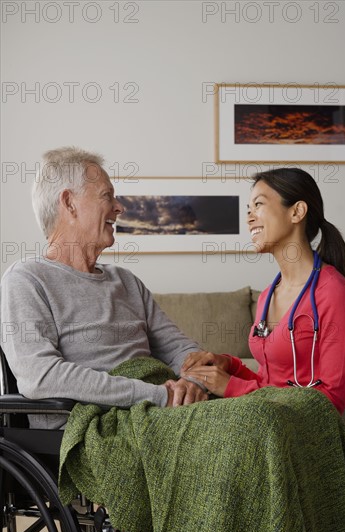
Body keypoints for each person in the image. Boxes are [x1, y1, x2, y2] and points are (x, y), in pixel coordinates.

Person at [0, 146, 207, 429]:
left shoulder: (126, 281)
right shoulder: (26, 279)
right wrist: (158, 395)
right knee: (255, 424)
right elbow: (42, 377)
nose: (119, 207)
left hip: (159, 414)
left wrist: (190, 384)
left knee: (265, 412)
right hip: (95, 429)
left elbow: (181, 348)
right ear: (69, 203)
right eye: (106, 196)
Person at [182, 168, 345, 415]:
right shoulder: (268, 295)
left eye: (258, 205)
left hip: (306, 436)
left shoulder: (334, 293)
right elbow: (268, 384)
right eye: (248, 209)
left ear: (297, 212)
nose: (250, 217)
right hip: (266, 424)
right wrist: (229, 365)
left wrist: (232, 387)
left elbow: (329, 404)